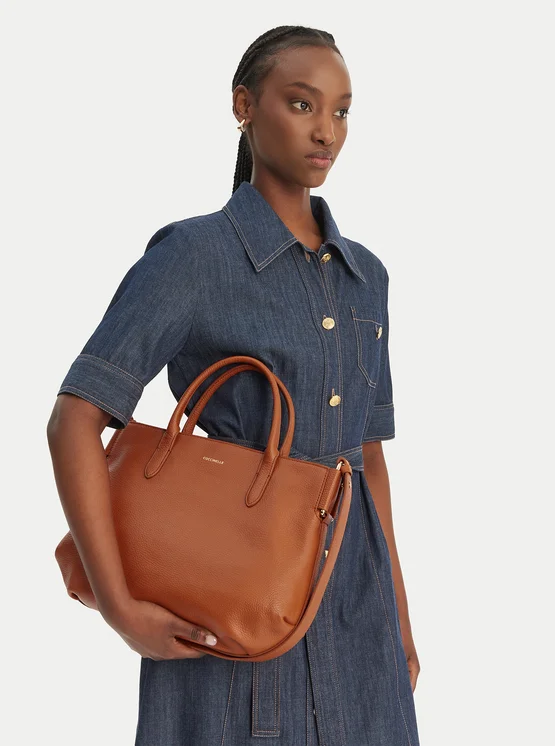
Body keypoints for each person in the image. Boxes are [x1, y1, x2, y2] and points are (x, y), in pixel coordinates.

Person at [47, 25, 421, 746]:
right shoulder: (193, 255)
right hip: (227, 590)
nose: (326, 130)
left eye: (342, 111)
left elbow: (368, 457)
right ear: (244, 106)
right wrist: (121, 608)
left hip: (357, 613)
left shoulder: (366, 276)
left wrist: (399, 619)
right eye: (302, 103)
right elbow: (73, 420)